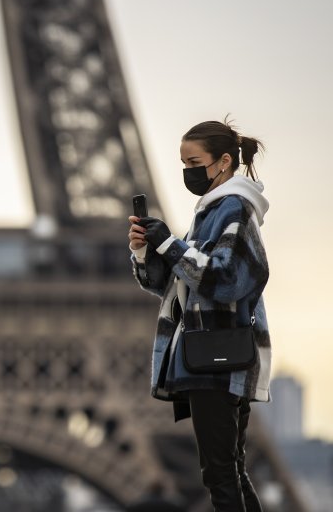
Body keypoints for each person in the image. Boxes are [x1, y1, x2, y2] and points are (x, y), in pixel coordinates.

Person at [128, 119, 271, 511]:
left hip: (215, 358)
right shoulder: (209, 212)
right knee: (230, 470)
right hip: (210, 354)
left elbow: (225, 279)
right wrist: (147, 251)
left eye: (194, 161)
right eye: (182, 162)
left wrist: (170, 244)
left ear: (224, 161)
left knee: (220, 472)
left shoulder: (234, 208)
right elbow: (181, 289)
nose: (187, 171)